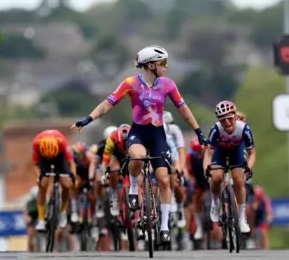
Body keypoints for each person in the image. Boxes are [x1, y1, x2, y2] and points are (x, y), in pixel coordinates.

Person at [71, 45, 208, 243]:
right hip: (138, 134)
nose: (166, 66)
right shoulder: (130, 83)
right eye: (163, 63)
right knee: (137, 156)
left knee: (163, 179)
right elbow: (107, 103)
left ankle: (164, 226)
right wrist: (87, 119)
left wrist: (198, 131)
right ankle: (134, 186)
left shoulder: (168, 84)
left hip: (158, 135)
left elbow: (184, 110)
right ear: (151, 65)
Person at [203, 101, 256, 234]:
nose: (226, 122)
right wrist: (206, 169)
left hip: (237, 152)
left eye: (229, 118)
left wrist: (248, 168)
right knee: (216, 177)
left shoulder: (243, 128)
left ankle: (242, 218)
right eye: (222, 120)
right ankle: (215, 202)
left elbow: (252, 153)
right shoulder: (216, 129)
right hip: (219, 152)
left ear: (235, 116)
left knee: (239, 180)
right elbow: (208, 153)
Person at [32, 129, 76, 232]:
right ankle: (41, 219)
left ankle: (63, 211)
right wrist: (39, 177)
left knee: (66, 185)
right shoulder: (36, 143)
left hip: (60, 158)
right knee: (42, 185)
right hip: (44, 160)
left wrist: (72, 176)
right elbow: (35, 165)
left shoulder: (62, 142)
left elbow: (72, 163)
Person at [100, 124, 131, 216]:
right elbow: (105, 161)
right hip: (117, 156)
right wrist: (104, 174)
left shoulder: (135, 135)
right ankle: (114, 196)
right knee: (113, 169)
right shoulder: (111, 140)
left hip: (132, 154)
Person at [186, 137, 208, 241]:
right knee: (196, 196)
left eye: (200, 152)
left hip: (208, 173)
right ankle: (199, 226)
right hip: (197, 176)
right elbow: (189, 173)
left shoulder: (209, 152)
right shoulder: (190, 156)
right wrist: (192, 182)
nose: (199, 155)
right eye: (196, 153)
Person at [70, 142, 96, 224]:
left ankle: (93, 214)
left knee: (92, 194)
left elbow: (92, 166)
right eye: (78, 155)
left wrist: (91, 178)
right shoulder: (71, 156)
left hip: (88, 172)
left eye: (82, 154)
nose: (80, 157)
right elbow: (72, 169)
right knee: (75, 185)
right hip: (78, 173)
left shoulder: (90, 156)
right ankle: (74, 210)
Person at [24, 186, 39, 252]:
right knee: (30, 236)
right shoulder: (28, 201)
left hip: (40, 216)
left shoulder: (44, 200)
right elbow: (26, 213)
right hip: (32, 216)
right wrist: (27, 219)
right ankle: (30, 250)